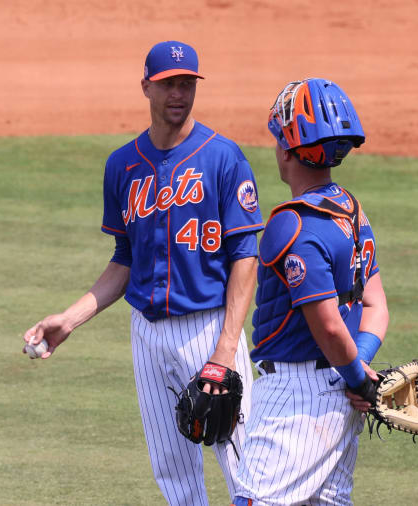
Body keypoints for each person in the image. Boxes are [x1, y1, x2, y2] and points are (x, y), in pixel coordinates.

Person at [23, 40, 264, 506]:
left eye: (187, 83)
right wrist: (67, 320)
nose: (179, 93)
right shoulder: (123, 165)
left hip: (210, 327)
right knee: (173, 476)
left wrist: (225, 350)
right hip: (147, 334)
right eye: (168, 84)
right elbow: (124, 259)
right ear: (146, 88)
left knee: (247, 467)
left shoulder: (223, 157)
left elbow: (245, 255)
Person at [232, 79, 389, 506]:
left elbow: (330, 329)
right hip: (340, 388)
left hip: (296, 401)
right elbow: (376, 306)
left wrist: (358, 377)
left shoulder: (292, 225)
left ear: (286, 148)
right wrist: (359, 373)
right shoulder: (351, 210)